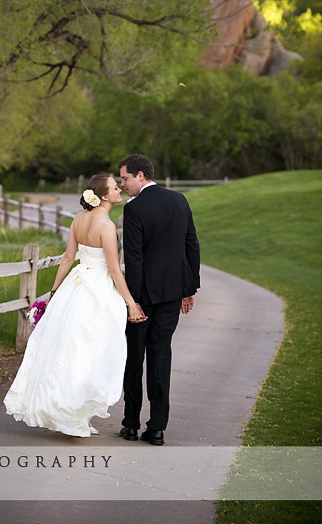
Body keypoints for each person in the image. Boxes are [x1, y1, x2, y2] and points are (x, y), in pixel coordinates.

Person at [3, 173, 146, 437]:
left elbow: (69, 258)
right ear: (104, 196)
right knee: (94, 353)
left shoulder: (79, 219)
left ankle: (75, 414)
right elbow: (114, 271)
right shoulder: (106, 226)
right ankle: (80, 415)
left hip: (76, 285)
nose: (119, 190)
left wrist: (55, 292)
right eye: (115, 188)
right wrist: (131, 304)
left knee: (71, 350)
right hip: (99, 290)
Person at [117, 154, 200, 446]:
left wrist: (133, 301)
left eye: (125, 178)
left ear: (141, 175)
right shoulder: (180, 200)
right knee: (161, 356)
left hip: (143, 298)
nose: (122, 184)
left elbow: (135, 259)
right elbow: (191, 244)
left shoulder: (135, 209)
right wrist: (189, 288)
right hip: (172, 294)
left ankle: (130, 424)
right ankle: (157, 428)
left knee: (134, 360)